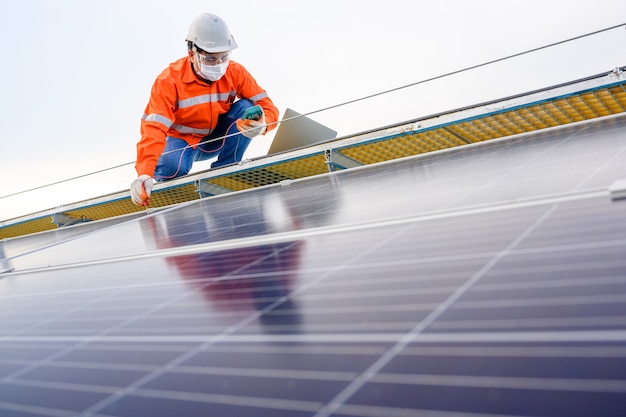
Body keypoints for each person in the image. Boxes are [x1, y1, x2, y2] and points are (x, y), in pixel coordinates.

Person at [130, 12, 279, 206]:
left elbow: (268, 106)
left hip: (216, 138)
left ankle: (225, 170)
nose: (219, 65)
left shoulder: (235, 72)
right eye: (210, 59)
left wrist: (263, 124)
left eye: (224, 57)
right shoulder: (169, 81)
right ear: (192, 54)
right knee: (170, 166)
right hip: (182, 143)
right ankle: (170, 181)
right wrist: (144, 173)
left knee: (248, 107)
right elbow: (154, 129)